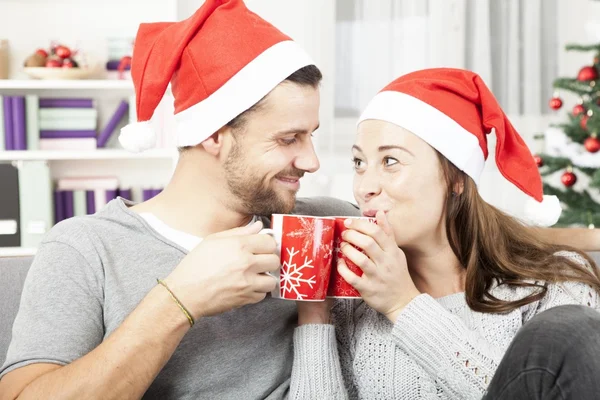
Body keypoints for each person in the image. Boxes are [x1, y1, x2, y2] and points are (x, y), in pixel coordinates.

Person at [0, 3, 598, 398]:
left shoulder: (324, 227)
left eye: (313, 136)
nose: (314, 162)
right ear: (213, 133)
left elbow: (470, 233)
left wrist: (579, 243)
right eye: (289, 139)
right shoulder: (86, 247)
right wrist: (178, 300)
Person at [289, 68, 600, 400]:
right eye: (359, 163)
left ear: (457, 178)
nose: (364, 187)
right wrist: (315, 317)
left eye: (390, 161)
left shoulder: (556, 285)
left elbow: (534, 390)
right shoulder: (350, 308)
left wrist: (402, 305)